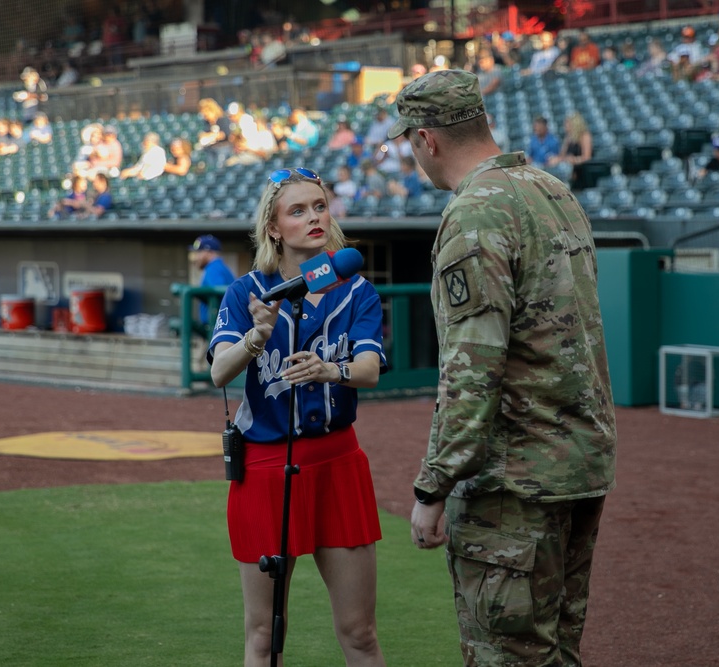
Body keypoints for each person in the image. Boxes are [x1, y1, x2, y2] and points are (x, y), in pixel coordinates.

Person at [388, 69, 617, 665]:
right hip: (577, 463)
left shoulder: (475, 213)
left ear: (427, 139)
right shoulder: (551, 189)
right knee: (557, 654)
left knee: (507, 656)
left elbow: (473, 371)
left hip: (513, 481)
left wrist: (433, 484)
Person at [208, 166, 387, 667]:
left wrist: (332, 369)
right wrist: (255, 337)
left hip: (337, 462)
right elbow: (220, 372)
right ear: (273, 227)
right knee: (264, 634)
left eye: (319, 206)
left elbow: (370, 369)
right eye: (298, 210)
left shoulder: (357, 291)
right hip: (265, 466)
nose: (314, 218)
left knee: (360, 631)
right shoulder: (246, 292)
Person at [188, 234, 235, 333]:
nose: (196, 257)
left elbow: (220, 295)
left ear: (209, 252)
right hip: (220, 326)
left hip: (217, 327)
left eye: (199, 252)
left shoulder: (214, 269)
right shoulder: (220, 267)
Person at [547, 112, 593, 186]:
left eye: (567, 123)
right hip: (569, 167)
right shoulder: (568, 137)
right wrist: (556, 159)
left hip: (581, 169)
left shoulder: (585, 136)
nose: (565, 126)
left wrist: (574, 159)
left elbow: (587, 157)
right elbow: (562, 155)